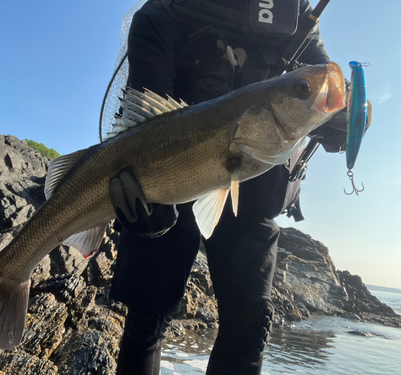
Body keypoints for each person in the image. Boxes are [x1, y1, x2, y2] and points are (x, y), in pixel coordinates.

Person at [108, 1, 345, 374]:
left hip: (254, 191)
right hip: (166, 184)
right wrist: (140, 197)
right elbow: (144, 126)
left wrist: (345, 118)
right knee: (144, 323)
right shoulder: (160, 16)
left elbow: (325, 82)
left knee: (251, 323)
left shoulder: (296, 15)